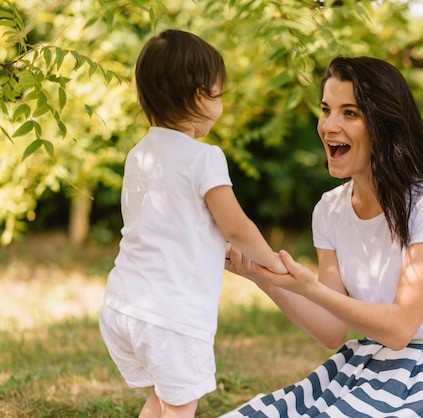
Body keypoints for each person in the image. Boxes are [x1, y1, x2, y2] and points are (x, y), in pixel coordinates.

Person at [221, 56, 423, 417]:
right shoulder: (329, 210)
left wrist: (308, 287)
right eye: (326, 109)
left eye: (350, 113)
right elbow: (331, 330)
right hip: (365, 363)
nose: (329, 126)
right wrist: (263, 277)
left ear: (384, 124)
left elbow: (399, 329)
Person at [98, 29, 287, 418]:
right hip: (172, 317)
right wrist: (272, 262)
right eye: (217, 95)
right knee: (182, 406)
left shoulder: (139, 154)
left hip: (124, 305)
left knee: (163, 399)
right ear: (197, 95)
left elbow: (168, 224)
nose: (219, 104)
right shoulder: (205, 158)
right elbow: (235, 225)